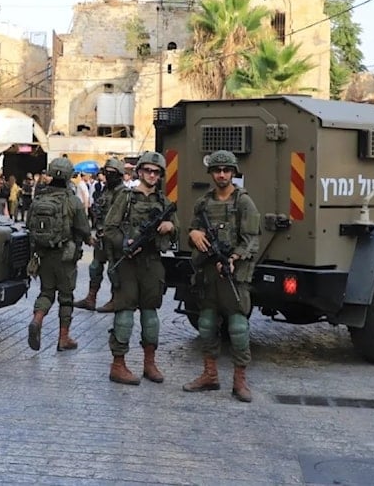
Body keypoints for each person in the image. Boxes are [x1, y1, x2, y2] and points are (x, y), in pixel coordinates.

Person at [182, 150, 261, 403]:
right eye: (218, 170)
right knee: (206, 325)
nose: (222, 175)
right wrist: (193, 234)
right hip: (208, 276)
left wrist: (233, 258)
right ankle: (210, 375)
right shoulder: (203, 203)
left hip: (233, 276)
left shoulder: (244, 202)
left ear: (234, 172)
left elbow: (251, 240)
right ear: (211, 174)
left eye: (227, 170)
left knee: (238, 327)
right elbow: (193, 230)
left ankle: (240, 381)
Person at [102, 151, 178, 385]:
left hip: (152, 262)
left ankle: (150, 363)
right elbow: (109, 229)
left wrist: (170, 226)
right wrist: (125, 244)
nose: (152, 175)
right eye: (147, 170)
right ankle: (118, 364)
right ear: (140, 172)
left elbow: (178, 228)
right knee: (124, 313)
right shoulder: (126, 197)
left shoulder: (164, 202)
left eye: (156, 172)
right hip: (128, 263)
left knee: (150, 314)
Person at [26, 157, 92, 352]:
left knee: (46, 292)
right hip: (65, 257)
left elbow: (29, 225)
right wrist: (90, 240)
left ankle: (37, 319)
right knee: (66, 296)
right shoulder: (73, 201)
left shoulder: (38, 200)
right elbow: (84, 229)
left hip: (43, 255)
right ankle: (63, 338)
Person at [75, 157, 125, 313]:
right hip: (102, 236)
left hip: (115, 237)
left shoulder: (123, 193)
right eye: (106, 172)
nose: (108, 175)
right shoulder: (106, 190)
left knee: (114, 270)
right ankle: (91, 297)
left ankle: (115, 299)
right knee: (95, 267)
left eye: (112, 173)